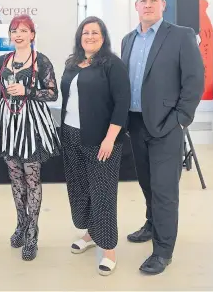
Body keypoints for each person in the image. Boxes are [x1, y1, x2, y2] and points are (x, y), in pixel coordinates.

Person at [121, 0, 204, 275]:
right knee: (146, 183)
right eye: (142, 0)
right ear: (136, 5)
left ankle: (163, 251)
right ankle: (152, 223)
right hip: (136, 123)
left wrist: (181, 118)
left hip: (167, 125)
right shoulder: (127, 40)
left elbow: (195, 80)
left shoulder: (181, 35)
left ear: (163, 5)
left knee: (165, 190)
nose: (147, 5)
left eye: (153, 1)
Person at [60, 16, 131, 276]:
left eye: (95, 32)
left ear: (103, 37)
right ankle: (91, 234)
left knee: (102, 193)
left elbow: (122, 103)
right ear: (80, 36)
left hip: (101, 139)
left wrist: (111, 138)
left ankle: (109, 249)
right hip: (70, 134)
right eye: (85, 32)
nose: (90, 36)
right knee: (80, 189)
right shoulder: (72, 63)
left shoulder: (113, 65)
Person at [0, 14, 60, 261]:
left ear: (32, 34)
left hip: (32, 125)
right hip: (9, 125)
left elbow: (53, 94)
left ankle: (32, 232)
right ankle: (21, 223)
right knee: (16, 179)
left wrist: (27, 90)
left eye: (23, 30)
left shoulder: (41, 60)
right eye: (14, 31)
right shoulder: (3, 60)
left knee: (32, 179)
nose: (18, 35)